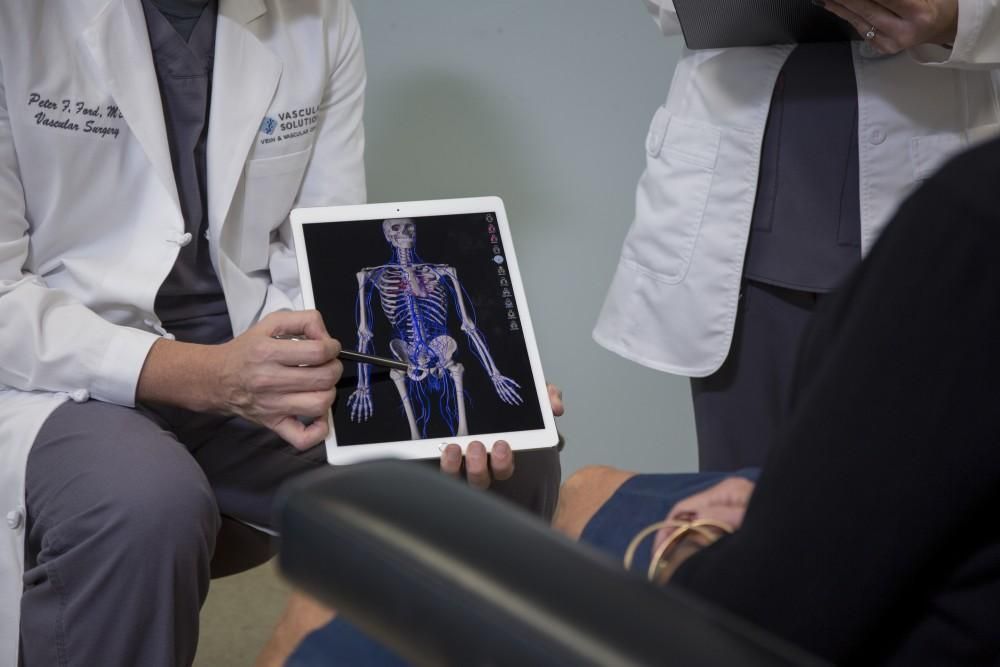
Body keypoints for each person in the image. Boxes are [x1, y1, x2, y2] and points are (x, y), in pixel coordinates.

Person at [285, 135, 1000, 666]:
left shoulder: (972, 220)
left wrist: (681, 541)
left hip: (744, 626)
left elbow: (766, 615)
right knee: (592, 484)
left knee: (331, 576)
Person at [0, 2, 559, 666]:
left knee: (514, 459)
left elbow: (321, 254)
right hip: (62, 373)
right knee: (144, 505)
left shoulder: (318, 18)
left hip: (261, 365)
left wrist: (484, 389)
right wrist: (213, 376)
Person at [592, 0, 1000, 470]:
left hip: (925, 176)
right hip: (743, 233)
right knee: (739, 505)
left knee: (919, 500)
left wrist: (957, 14)